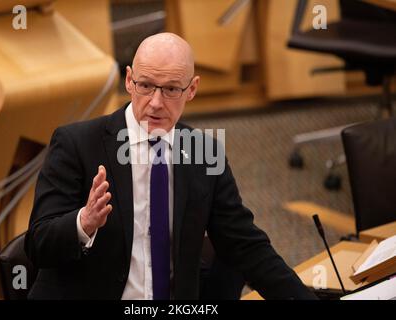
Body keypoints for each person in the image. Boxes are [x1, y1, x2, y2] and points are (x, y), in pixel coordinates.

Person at [24, 32, 317, 300]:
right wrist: (83, 223)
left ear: (192, 89)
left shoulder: (203, 153)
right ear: (129, 81)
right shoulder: (77, 144)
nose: (155, 103)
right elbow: (38, 245)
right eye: (146, 85)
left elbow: (244, 245)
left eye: (171, 90)